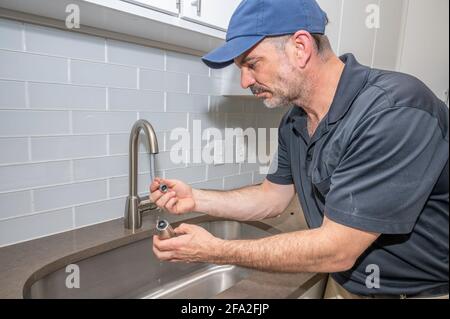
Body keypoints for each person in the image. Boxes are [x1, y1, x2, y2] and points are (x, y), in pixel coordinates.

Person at [150, 0, 449, 299]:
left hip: (420, 293)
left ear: (300, 47)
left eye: (252, 64)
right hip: (348, 283)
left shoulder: (393, 111)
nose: (244, 81)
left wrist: (216, 251)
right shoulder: (295, 120)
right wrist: (196, 198)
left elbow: (337, 249)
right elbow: (272, 198)